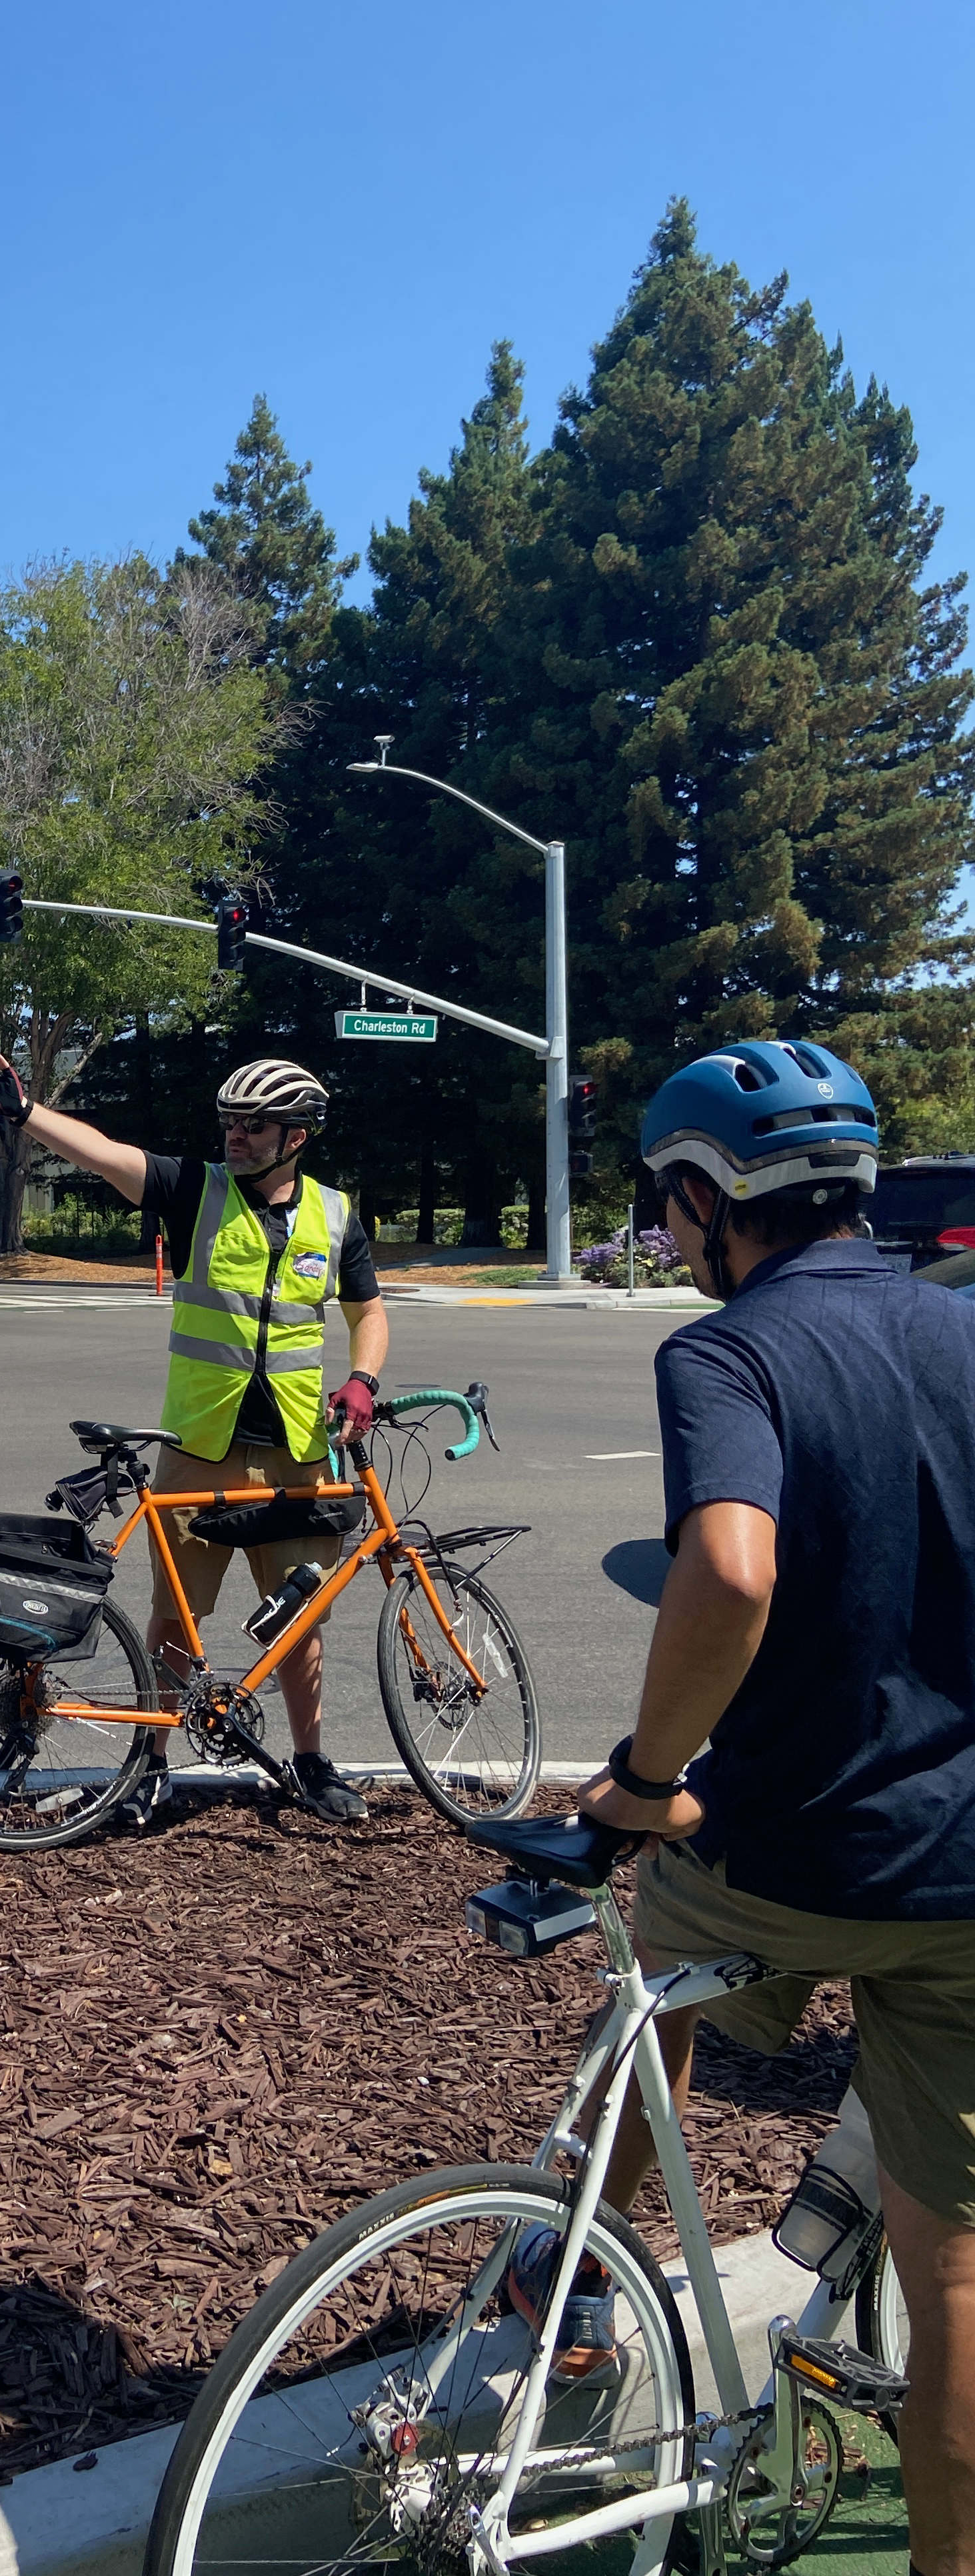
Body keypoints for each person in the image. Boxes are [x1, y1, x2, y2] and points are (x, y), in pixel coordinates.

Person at [556, 1039, 975, 2576]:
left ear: (700, 1196)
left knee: (650, 1972)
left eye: (670, 1212)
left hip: (786, 1853)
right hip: (969, 1877)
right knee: (960, 2285)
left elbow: (731, 1570)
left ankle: (583, 2273)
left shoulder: (727, 1354)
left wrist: (646, 1782)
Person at [0, 1053, 388, 1824]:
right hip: (200, 1441)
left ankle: (309, 1762)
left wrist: (363, 1378)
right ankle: (154, 1764)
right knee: (177, 1613)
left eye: (254, 1125)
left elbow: (369, 1312)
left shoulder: (335, 1216)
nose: (236, 1135)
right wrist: (26, 1113)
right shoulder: (194, 1190)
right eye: (229, 1122)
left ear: (297, 1135)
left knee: (301, 1616)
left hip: (297, 1449)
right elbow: (108, 1154)